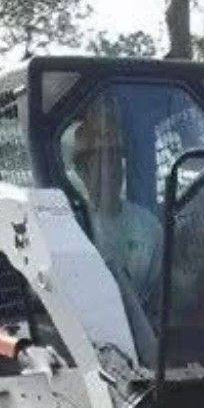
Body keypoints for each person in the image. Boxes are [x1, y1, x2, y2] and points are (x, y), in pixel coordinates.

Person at [69, 95, 163, 313]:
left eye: (114, 158)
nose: (109, 169)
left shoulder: (148, 226)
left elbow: (161, 295)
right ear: (82, 171)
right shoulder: (73, 226)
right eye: (99, 160)